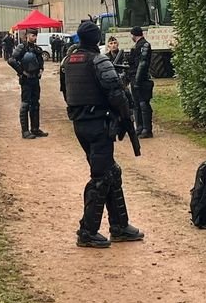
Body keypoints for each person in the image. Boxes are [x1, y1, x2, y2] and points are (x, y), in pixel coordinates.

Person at [60, 20, 144, 248]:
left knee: (111, 172)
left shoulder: (68, 61)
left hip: (81, 124)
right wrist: (125, 117)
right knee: (101, 177)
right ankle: (87, 231)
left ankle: (119, 226)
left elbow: (66, 92)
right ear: (96, 39)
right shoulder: (99, 61)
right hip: (98, 125)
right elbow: (116, 93)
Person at [8, 28, 47, 139]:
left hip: (35, 79)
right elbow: (11, 60)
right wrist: (21, 71)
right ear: (27, 36)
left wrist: (41, 69)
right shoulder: (21, 47)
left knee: (35, 104)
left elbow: (40, 61)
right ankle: (25, 131)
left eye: (36, 36)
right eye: (33, 35)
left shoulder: (36, 49)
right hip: (26, 80)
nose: (34, 38)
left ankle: (35, 128)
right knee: (25, 104)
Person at [127, 26, 154, 138]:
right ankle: (139, 128)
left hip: (141, 79)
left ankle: (146, 129)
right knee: (137, 104)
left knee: (143, 103)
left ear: (133, 35)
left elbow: (142, 64)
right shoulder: (138, 46)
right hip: (135, 78)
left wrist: (137, 80)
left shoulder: (144, 45)